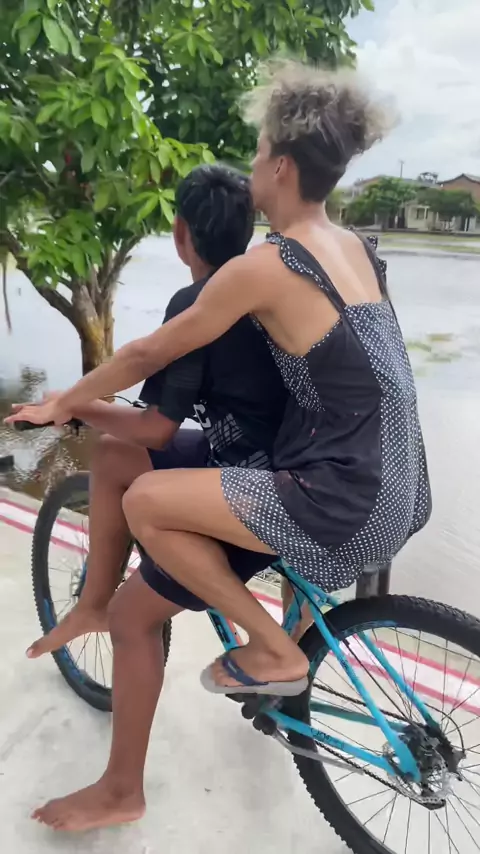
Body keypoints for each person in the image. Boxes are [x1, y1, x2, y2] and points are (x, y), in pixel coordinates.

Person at [8, 61, 431, 832]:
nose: (253, 163)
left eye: (260, 147)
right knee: (134, 476)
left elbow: (147, 354)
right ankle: (277, 651)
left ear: (283, 165)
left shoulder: (268, 265)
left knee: (147, 502)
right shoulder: (356, 248)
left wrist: (63, 402)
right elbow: (366, 380)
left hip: (336, 492)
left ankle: (271, 652)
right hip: (398, 481)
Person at [23, 162, 303, 659]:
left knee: (134, 612)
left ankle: (103, 608)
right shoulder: (273, 288)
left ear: (180, 233)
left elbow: (156, 428)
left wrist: (72, 405)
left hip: (251, 483)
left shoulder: (197, 301)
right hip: (302, 463)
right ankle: (293, 657)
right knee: (113, 455)